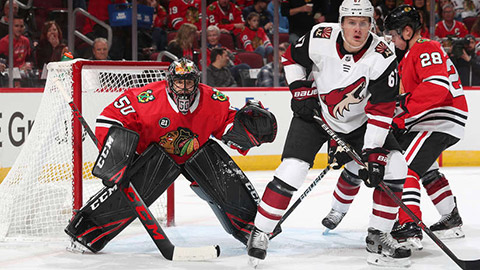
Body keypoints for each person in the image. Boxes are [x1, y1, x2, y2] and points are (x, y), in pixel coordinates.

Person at [247, 0, 411, 267]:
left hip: (359, 124)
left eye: (363, 23)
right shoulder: (319, 36)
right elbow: (290, 58)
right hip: (316, 114)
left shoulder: (383, 55)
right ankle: (260, 231)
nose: (357, 29)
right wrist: (300, 87)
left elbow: (381, 112)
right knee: (292, 170)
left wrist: (371, 153)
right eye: (351, 22)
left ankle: (379, 234)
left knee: (395, 167)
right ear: (341, 22)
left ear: (372, 25)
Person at [66, 58, 278, 252]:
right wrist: (117, 154)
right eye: (179, 82)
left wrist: (248, 131)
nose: (184, 88)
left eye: (189, 82)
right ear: (169, 82)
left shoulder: (213, 99)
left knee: (218, 170)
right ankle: (87, 231)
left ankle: (254, 228)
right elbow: (109, 118)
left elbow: (227, 125)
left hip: (196, 154)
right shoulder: (146, 98)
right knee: (133, 187)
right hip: (153, 156)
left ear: (197, 81)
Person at [382, 5, 468, 249]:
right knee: (426, 168)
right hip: (433, 119)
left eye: (394, 34)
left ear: (408, 31)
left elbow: (437, 88)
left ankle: (409, 225)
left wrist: (403, 114)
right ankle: (450, 217)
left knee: (404, 168)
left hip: (440, 118)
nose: (392, 39)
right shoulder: (408, 57)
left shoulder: (425, 47)